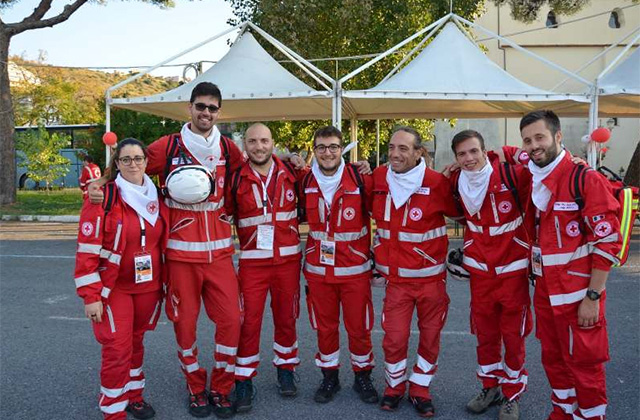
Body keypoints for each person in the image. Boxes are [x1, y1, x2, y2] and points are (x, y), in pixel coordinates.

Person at [90, 82, 245, 419]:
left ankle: (221, 388)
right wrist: (101, 183)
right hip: (179, 257)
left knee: (232, 321)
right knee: (185, 327)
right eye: (200, 106)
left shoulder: (229, 149)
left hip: (219, 256)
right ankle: (195, 388)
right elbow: (130, 166)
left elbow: (251, 171)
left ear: (219, 112)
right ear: (189, 108)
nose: (206, 113)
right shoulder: (167, 145)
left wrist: (293, 162)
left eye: (212, 108)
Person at [519, 110, 621, 420]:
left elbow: (607, 243)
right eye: (527, 140)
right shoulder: (534, 175)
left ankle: (591, 416)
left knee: (585, 367)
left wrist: (593, 297)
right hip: (547, 294)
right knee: (554, 360)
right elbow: (500, 158)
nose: (534, 145)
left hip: (579, 297)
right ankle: (562, 413)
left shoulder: (584, 179)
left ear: (558, 137)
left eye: (540, 137)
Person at [74, 138, 167, 420]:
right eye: (125, 160)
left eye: (138, 158)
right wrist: (90, 296)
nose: (133, 164)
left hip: (148, 286)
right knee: (117, 347)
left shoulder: (159, 196)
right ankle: (113, 411)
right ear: (117, 164)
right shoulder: (104, 196)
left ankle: (134, 396)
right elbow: (87, 250)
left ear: (147, 162)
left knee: (136, 342)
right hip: (114, 288)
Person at [372, 126, 462, 417]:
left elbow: (461, 212)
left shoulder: (436, 182)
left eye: (403, 148)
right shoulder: (377, 178)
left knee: (430, 336)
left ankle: (420, 388)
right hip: (396, 282)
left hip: (430, 282)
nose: (395, 154)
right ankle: (394, 387)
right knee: (394, 338)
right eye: (392, 147)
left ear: (418, 152)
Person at [448, 130, 532, 420]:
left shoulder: (512, 176)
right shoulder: (456, 182)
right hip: (481, 274)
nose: (469, 159)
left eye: (474, 151)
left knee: (513, 336)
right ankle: (490, 387)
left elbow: (544, 174)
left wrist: (515, 152)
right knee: (484, 335)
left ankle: (512, 394)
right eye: (462, 154)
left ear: (485, 151)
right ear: (456, 159)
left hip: (512, 273)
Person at [225, 123, 302, 412]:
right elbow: (224, 214)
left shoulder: (293, 173)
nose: (259, 146)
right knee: (248, 323)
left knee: (287, 319)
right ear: (245, 145)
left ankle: (286, 369)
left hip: (288, 262)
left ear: (273, 143)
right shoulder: (235, 179)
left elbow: (326, 179)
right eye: (253, 141)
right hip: (253, 264)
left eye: (264, 140)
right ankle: (243, 378)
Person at [299, 125, 379, 405]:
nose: (327, 152)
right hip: (319, 272)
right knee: (325, 327)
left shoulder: (360, 178)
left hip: (355, 271)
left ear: (342, 148)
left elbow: (380, 212)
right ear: (314, 151)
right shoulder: (305, 180)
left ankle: (363, 375)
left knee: (359, 327)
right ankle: (329, 376)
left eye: (333, 146)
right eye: (321, 147)